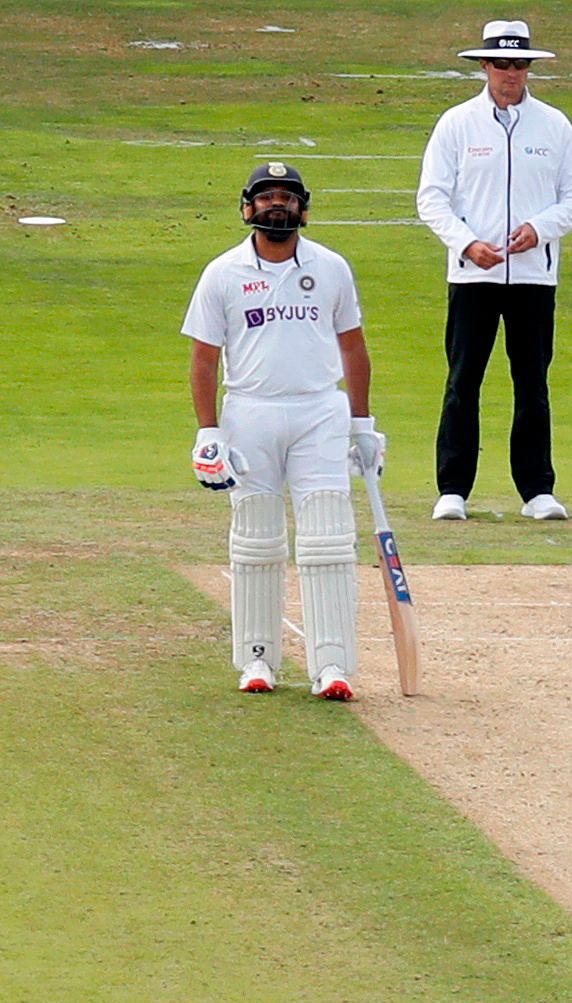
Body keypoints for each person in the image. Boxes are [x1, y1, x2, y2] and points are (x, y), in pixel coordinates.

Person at [183, 162, 384, 699]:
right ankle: (257, 660)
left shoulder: (332, 268)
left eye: (289, 198)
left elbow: (353, 347)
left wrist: (361, 424)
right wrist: (209, 432)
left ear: (304, 209)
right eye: (267, 197)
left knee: (328, 537)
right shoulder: (222, 273)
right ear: (247, 208)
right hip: (250, 412)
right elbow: (204, 360)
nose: (279, 205)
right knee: (256, 538)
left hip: (320, 412)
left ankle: (332, 665)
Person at [416, 19, 572, 522]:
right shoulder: (456, 124)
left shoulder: (554, 126)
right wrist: (467, 243)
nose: (511, 74)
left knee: (532, 383)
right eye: (502, 64)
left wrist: (539, 229)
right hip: (473, 276)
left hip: (534, 277)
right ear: (484, 66)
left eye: (520, 64)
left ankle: (537, 490)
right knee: (462, 380)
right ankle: (453, 489)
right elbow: (432, 199)